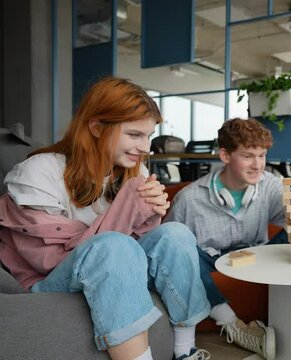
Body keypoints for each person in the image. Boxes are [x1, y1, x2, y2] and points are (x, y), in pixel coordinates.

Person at [0, 77, 211, 360]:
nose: (146, 147)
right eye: (135, 135)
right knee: (114, 246)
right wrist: (129, 206)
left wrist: (149, 216)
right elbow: (49, 261)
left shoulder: (135, 172)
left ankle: (185, 351)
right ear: (97, 127)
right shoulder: (37, 172)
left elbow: (134, 250)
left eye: (149, 136)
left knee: (176, 234)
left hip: (114, 267)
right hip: (48, 280)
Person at [166, 118, 291, 360]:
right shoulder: (189, 199)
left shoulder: (269, 185)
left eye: (262, 155)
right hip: (211, 261)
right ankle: (233, 324)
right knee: (186, 253)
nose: (258, 165)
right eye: (248, 156)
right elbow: (170, 251)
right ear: (225, 155)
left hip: (257, 257)